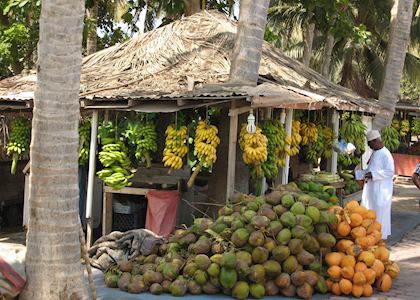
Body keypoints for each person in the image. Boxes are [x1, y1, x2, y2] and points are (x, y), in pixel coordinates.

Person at [361, 130, 394, 240]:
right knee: (369, 213)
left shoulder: (386, 154)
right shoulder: (375, 152)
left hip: (381, 191)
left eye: (369, 144)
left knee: (379, 215)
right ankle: (370, 236)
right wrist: (358, 174)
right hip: (372, 190)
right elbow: (370, 170)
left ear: (375, 141)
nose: (369, 146)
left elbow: (390, 172)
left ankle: (379, 237)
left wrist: (373, 175)